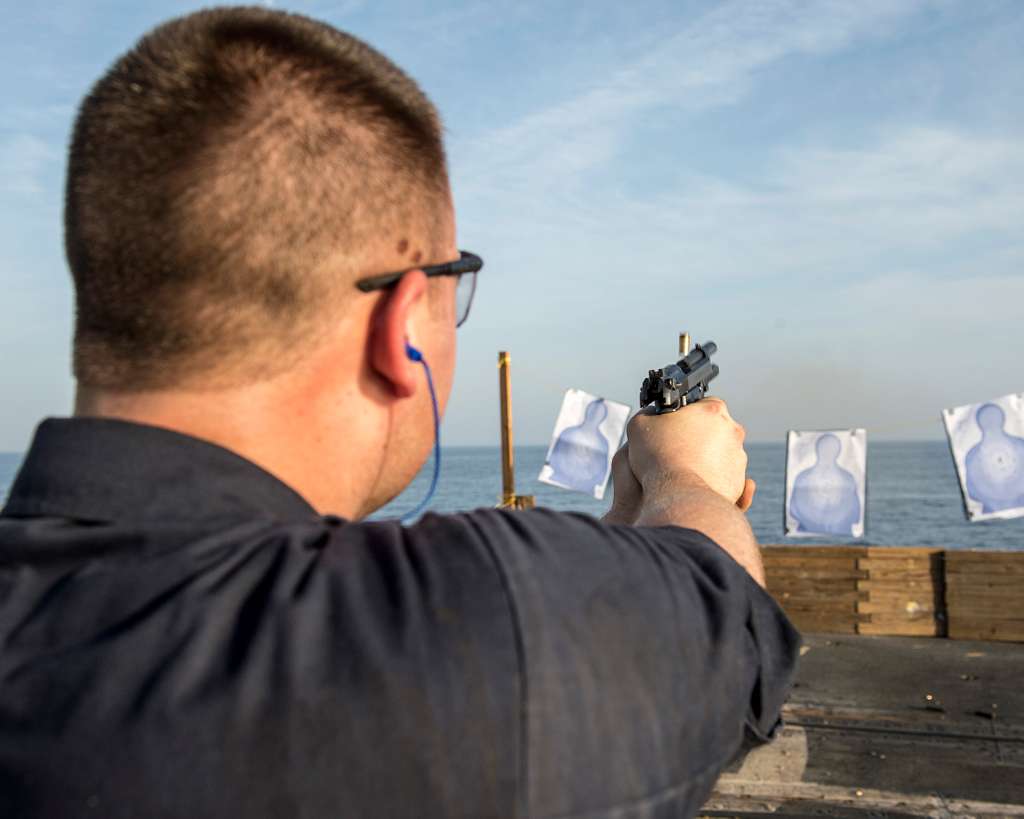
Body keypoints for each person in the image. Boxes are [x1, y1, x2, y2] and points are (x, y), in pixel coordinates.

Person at [0, 7, 799, 818]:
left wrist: (634, 503)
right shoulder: (452, 627)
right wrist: (686, 476)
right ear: (401, 323)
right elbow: (722, 623)